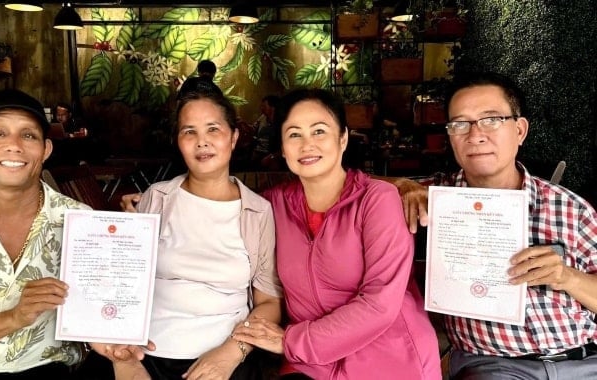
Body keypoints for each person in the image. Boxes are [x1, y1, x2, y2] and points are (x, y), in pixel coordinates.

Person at [0, 89, 137, 379]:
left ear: (45, 150)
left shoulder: (82, 222)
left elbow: (104, 316)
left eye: (28, 135)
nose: (14, 146)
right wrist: (14, 317)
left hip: (58, 371)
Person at [394, 72, 597, 379]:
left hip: (584, 358)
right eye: (460, 123)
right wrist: (399, 184)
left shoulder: (571, 209)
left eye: (491, 120)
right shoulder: (436, 198)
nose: (475, 135)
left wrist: (566, 277)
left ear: (519, 130)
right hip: (494, 364)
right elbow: (349, 185)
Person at [230, 88, 441, 379]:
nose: (307, 145)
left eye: (319, 131)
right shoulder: (272, 205)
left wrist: (290, 341)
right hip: (309, 365)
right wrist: (149, 205)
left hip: (388, 357)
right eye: (294, 134)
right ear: (281, 147)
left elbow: (379, 304)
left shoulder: (378, 200)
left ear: (343, 138)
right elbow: (214, 206)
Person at [104, 88, 282, 380]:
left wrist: (229, 355)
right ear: (179, 141)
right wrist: (125, 357)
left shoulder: (258, 212)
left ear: (233, 137)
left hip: (229, 356)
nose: (202, 141)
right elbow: (123, 282)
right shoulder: (156, 198)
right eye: (189, 131)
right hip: (147, 353)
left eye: (213, 129)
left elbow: (269, 303)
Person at [250, 95, 280, 170]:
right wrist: (242, 124)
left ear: (272, 107)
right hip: (258, 151)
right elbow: (253, 129)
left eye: (264, 106)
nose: (261, 108)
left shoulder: (280, 121)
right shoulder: (263, 117)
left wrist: (272, 156)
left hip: (270, 154)